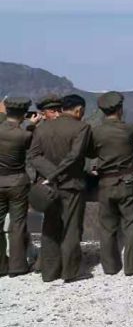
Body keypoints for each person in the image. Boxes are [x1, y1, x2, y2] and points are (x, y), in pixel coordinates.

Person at [89, 91, 133, 276]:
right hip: (127, 182)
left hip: (105, 183)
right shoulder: (128, 129)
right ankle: (132, 265)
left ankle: (110, 267)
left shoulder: (95, 132)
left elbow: (90, 152)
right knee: (131, 224)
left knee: (107, 227)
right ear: (120, 109)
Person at [28, 93, 92, 283]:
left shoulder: (43, 128)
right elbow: (74, 156)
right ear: (79, 110)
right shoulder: (82, 127)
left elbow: (33, 156)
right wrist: (57, 173)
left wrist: (49, 174)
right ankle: (69, 271)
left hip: (48, 186)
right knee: (71, 227)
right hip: (71, 184)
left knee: (50, 227)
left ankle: (49, 272)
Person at [0, 96, 34, 277]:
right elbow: (31, 145)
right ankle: (17, 265)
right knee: (18, 224)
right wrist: (32, 125)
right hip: (18, 182)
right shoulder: (24, 134)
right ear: (23, 114)